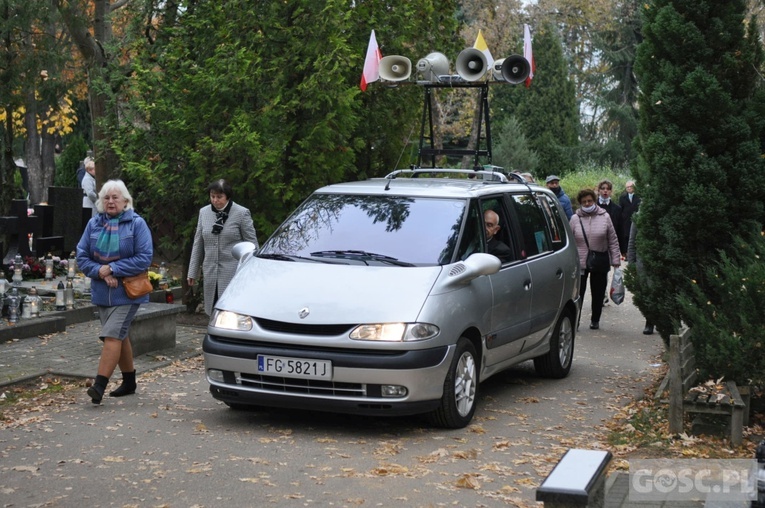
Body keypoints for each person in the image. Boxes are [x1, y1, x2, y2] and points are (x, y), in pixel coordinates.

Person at [76, 180, 153, 404]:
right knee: (120, 335)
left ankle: (99, 386)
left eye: (115, 197)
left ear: (125, 201)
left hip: (127, 292)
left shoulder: (136, 224)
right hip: (102, 291)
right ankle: (129, 382)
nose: (110, 202)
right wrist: (100, 270)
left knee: (111, 335)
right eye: (106, 198)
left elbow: (144, 257)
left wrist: (113, 268)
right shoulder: (94, 224)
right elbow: (82, 255)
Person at [188, 179, 259, 315]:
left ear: (228, 196)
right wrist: (193, 272)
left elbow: (252, 245)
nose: (215, 200)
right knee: (212, 311)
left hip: (233, 273)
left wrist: (251, 272)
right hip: (210, 272)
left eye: (219, 197)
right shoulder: (204, 213)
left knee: (230, 312)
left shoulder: (241, 213)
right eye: (212, 196)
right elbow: (198, 243)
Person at [570, 188, 620, 330]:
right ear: (580, 203)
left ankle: (595, 319)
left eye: (590, 201)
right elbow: (570, 241)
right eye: (584, 202)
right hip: (580, 262)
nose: (587, 203)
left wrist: (616, 260)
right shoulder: (575, 219)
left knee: (598, 292)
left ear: (594, 200)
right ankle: (576, 321)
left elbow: (612, 240)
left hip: (600, 259)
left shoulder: (605, 216)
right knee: (578, 293)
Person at [626, 219, 654, 335]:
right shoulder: (638, 217)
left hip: (661, 259)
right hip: (643, 262)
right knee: (647, 291)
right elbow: (632, 242)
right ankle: (650, 321)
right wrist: (631, 264)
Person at [596, 179, 624, 255]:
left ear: (611, 191)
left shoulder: (617, 209)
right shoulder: (593, 207)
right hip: (595, 244)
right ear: (599, 190)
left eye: (608, 189)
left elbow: (620, 229)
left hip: (611, 244)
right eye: (603, 188)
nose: (605, 191)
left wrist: (623, 249)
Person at [618, 180, 640, 253]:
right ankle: (627, 253)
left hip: (636, 219)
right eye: (627, 187)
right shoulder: (622, 197)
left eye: (631, 186)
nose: (629, 188)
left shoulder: (638, 196)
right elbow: (620, 209)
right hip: (626, 221)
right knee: (627, 236)